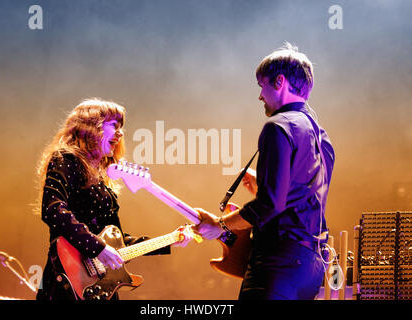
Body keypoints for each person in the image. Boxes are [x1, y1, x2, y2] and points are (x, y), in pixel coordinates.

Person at [193, 43, 335, 300]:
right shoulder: (322, 138)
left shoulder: (278, 127)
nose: (260, 96)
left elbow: (271, 206)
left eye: (262, 85)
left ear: (280, 81)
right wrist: (264, 186)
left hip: (277, 263)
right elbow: (301, 200)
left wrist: (219, 225)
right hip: (311, 266)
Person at [35, 98, 193, 300]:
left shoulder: (101, 179)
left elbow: (117, 242)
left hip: (101, 285)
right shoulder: (66, 159)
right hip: (67, 279)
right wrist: (97, 248)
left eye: (121, 128)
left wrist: (170, 240)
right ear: (90, 128)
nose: (120, 133)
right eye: (113, 126)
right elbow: (53, 210)